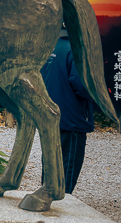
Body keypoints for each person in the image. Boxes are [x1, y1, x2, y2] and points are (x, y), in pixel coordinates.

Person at [41, 27, 96, 194]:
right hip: (70, 116)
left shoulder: (46, 48)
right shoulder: (74, 50)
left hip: (47, 114)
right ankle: (61, 201)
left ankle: (45, 192)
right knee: (68, 163)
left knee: (50, 159)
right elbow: (81, 85)